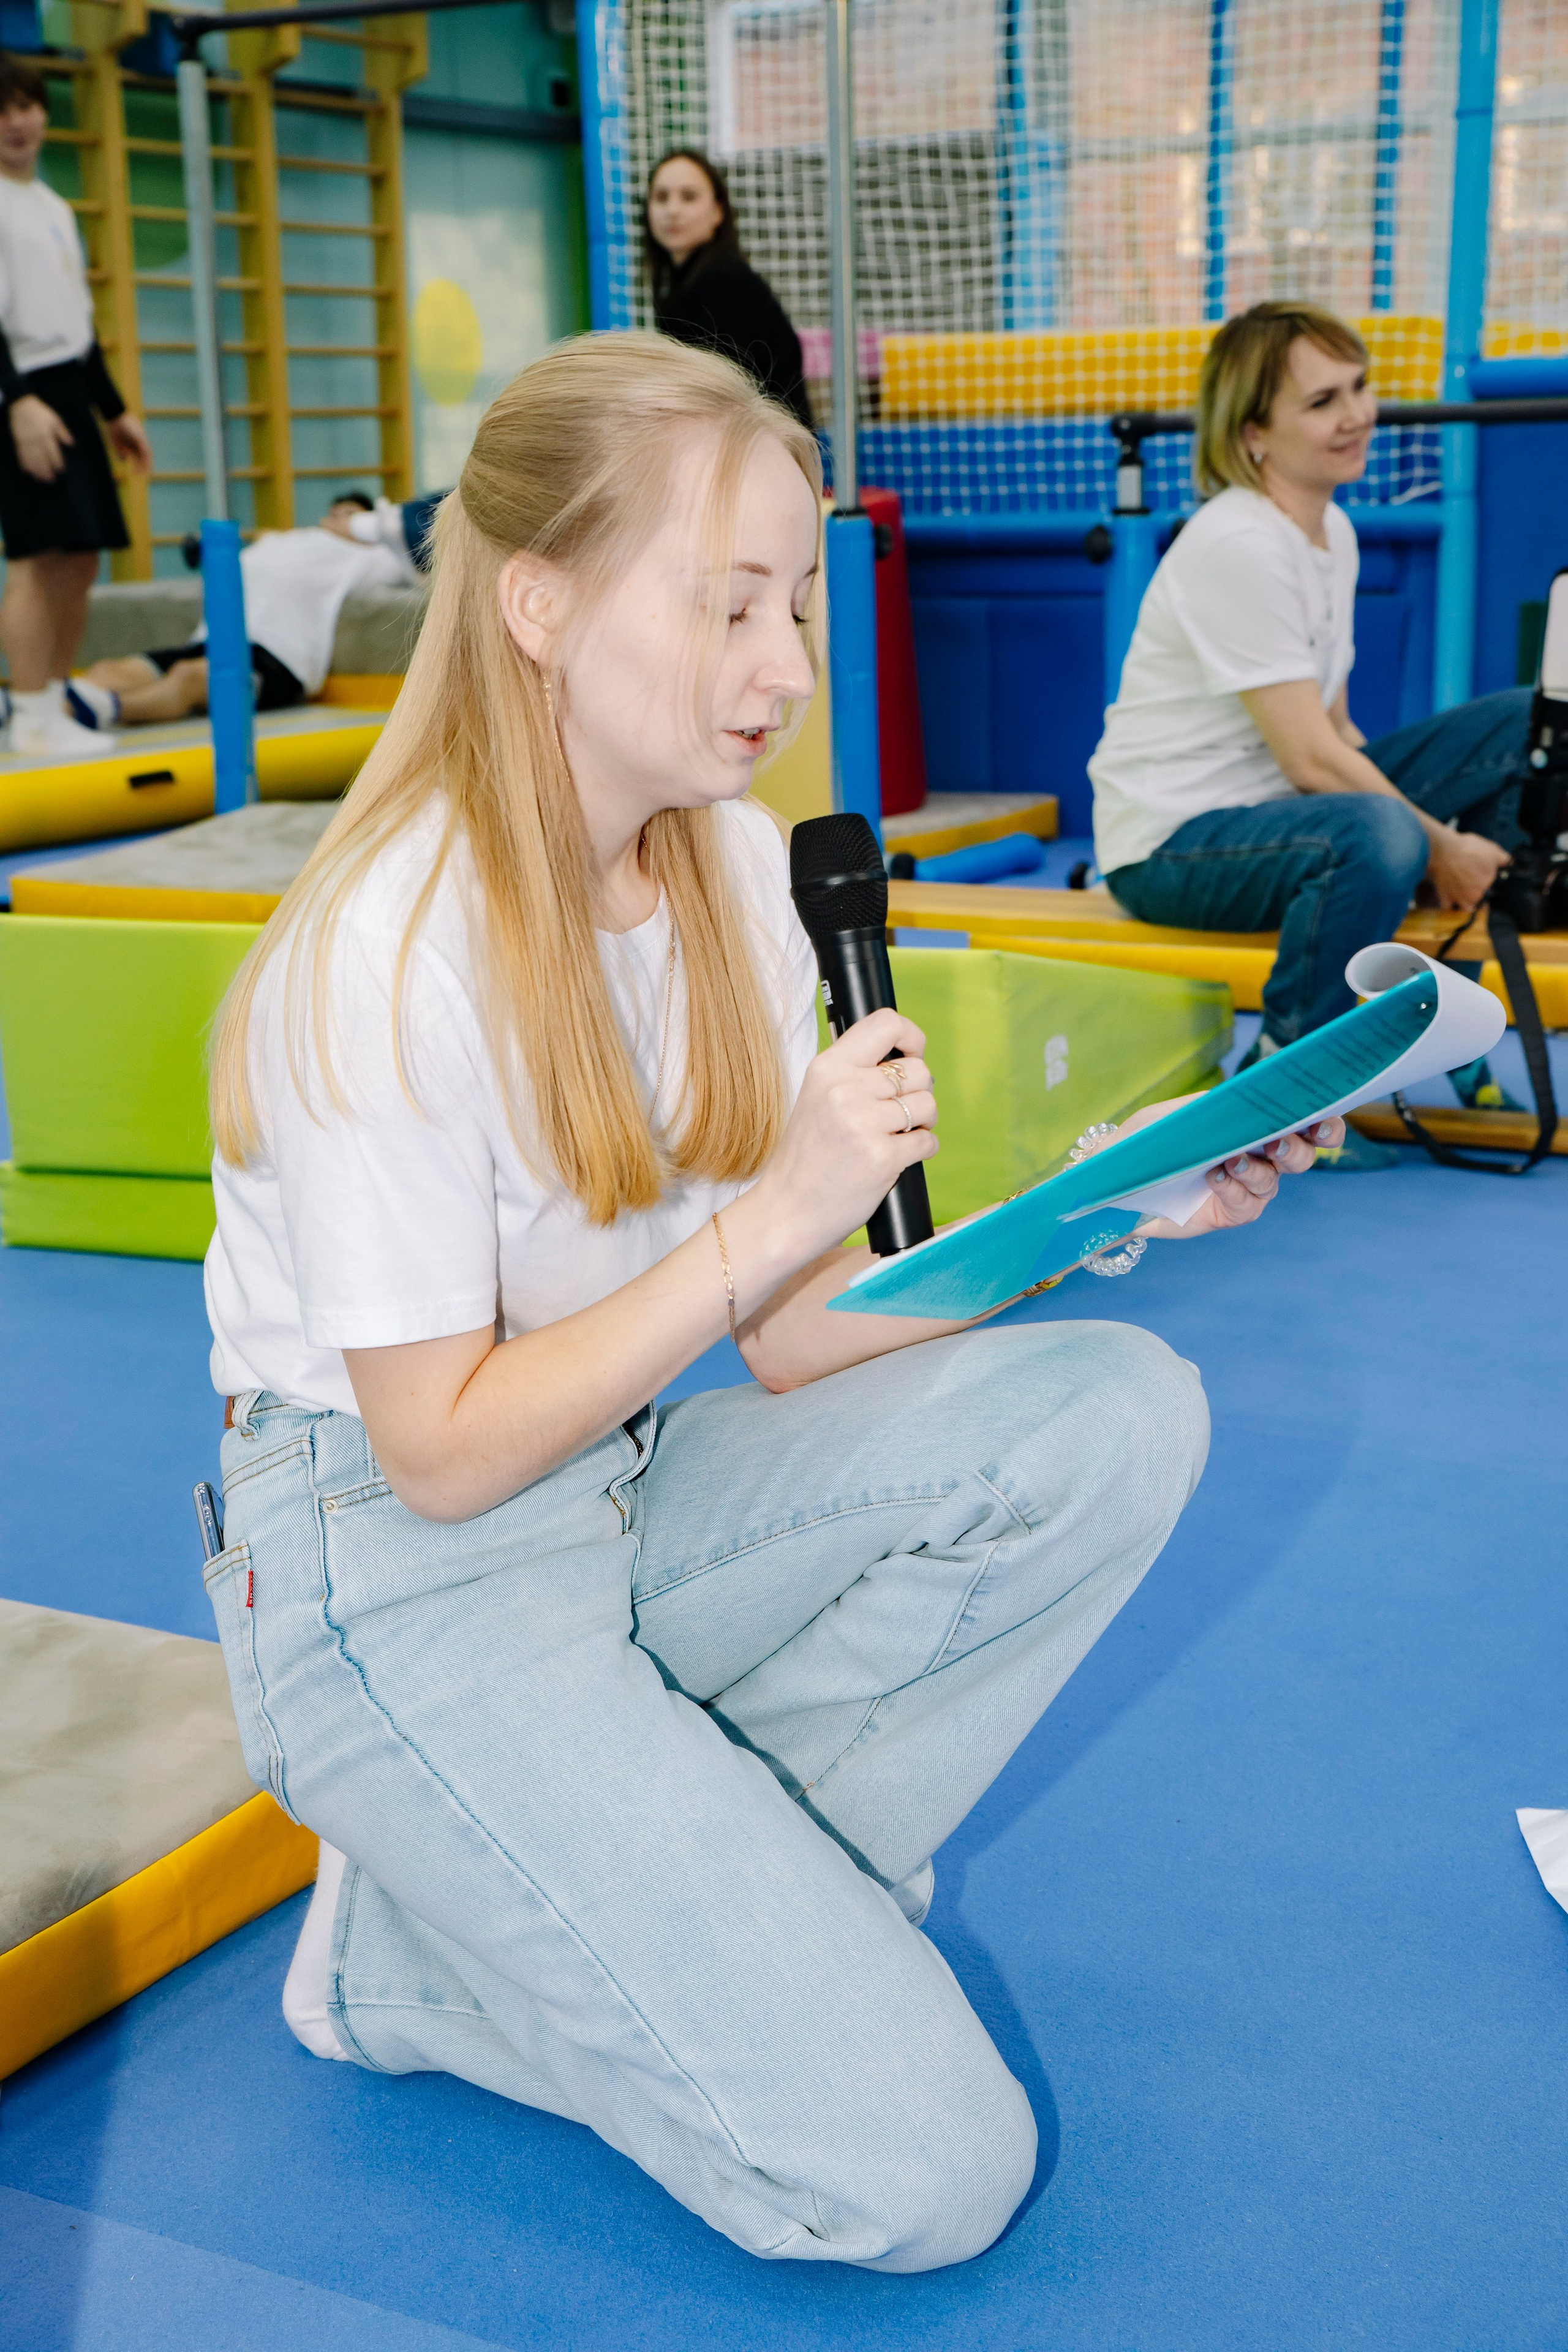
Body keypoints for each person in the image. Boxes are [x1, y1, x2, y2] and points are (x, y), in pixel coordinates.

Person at [202, 331, 1331, 2271]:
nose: (789, 664)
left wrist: (1115, 1194)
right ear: (540, 603)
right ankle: (409, 1965)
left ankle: (558, 1917)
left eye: (797, 602)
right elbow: (441, 1452)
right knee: (925, 2174)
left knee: (1113, 1409)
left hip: (621, 1491)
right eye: (728, 605)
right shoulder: (385, 944)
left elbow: (797, 1336)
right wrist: (773, 1215)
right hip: (386, 1566)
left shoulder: (729, 873)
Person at [1089, 300, 1526, 1170]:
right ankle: (1279, 1087)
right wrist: (1437, 844)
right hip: (1168, 845)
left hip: (1277, 813)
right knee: (1380, 833)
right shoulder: (1238, 543)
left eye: (1359, 388)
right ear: (1254, 433)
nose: (1357, 414)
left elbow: (1336, 728)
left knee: (1522, 726)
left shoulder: (1332, 531)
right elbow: (1310, 760)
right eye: (1324, 401)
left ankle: (1450, 1018)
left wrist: (1435, 840)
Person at [0, 53, 151, 755]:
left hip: (66, 390)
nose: (16, 122)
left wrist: (114, 412)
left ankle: (53, 700)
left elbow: (78, 328)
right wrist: (18, 403)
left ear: (44, 114)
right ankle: (29, 712)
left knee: (82, 559)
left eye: (26, 107)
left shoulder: (53, 208)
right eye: (2, 112)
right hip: (20, 391)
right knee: (40, 558)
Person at [70, 491, 422, 728]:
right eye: (334, 513)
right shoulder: (278, 542)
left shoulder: (370, 556)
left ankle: (107, 709)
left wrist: (386, 533)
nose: (340, 519)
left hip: (279, 659)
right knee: (108, 670)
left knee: (191, 677)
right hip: (214, 639)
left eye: (352, 515)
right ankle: (63, 708)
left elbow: (416, 565)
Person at [645, 148, 815, 432]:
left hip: (764, 446)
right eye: (661, 197)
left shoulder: (723, 281)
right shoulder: (690, 283)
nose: (672, 210)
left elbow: (720, 398)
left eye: (689, 197)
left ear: (718, 212)